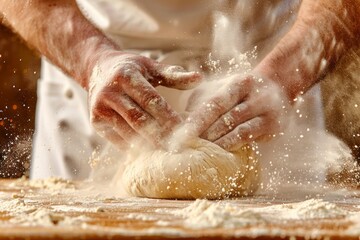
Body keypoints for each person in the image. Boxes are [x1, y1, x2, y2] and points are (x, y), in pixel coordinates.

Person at [0, 0, 359, 180]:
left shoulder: (281, 73)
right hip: (91, 55)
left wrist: (283, 79)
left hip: (273, 66)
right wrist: (90, 59)